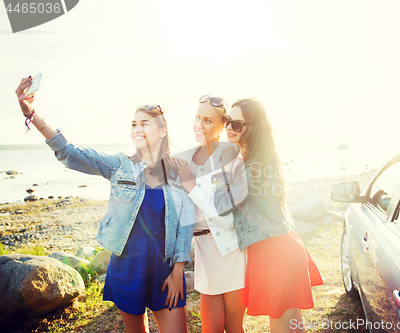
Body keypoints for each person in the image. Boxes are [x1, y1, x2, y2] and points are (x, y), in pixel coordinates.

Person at [15, 76, 196, 333]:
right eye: (134, 123)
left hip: (164, 270)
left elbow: (185, 224)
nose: (136, 128)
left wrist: (178, 272)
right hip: (127, 266)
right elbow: (70, 153)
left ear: (163, 130)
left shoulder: (178, 172)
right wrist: (32, 114)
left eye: (145, 123)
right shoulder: (119, 165)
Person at [213, 98, 323, 333]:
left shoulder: (252, 168)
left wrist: (220, 173)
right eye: (227, 121)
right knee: (294, 326)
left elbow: (222, 205)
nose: (229, 128)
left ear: (254, 128)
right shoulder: (256, 160)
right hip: (281, 248)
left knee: (282, 327)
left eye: (237, 124)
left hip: (275, 255)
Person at [173, 95, 246, 333]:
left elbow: (224, 218)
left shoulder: (231, 159)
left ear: (222, 124)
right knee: (210, 329)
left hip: (230, 250)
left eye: (207, 120)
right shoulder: (183, 159)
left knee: (233, 327)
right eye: (197, 117)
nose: (199, 125)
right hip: (204, 251)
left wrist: (191, 186)